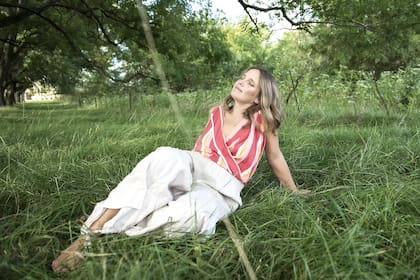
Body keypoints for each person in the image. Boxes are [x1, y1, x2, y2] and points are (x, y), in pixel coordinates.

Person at [51, 66, 309, 273]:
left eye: (251, 83)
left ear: (260, 96)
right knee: (164, 157)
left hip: (221, 188)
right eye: (242, 77)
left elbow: (275, 157)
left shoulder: (264, 121)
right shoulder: (215, 112)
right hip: (194, 164)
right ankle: (90, 234)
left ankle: (118, 221)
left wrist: (294, 191)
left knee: (187, 216)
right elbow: (202, 149)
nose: (241, 82)